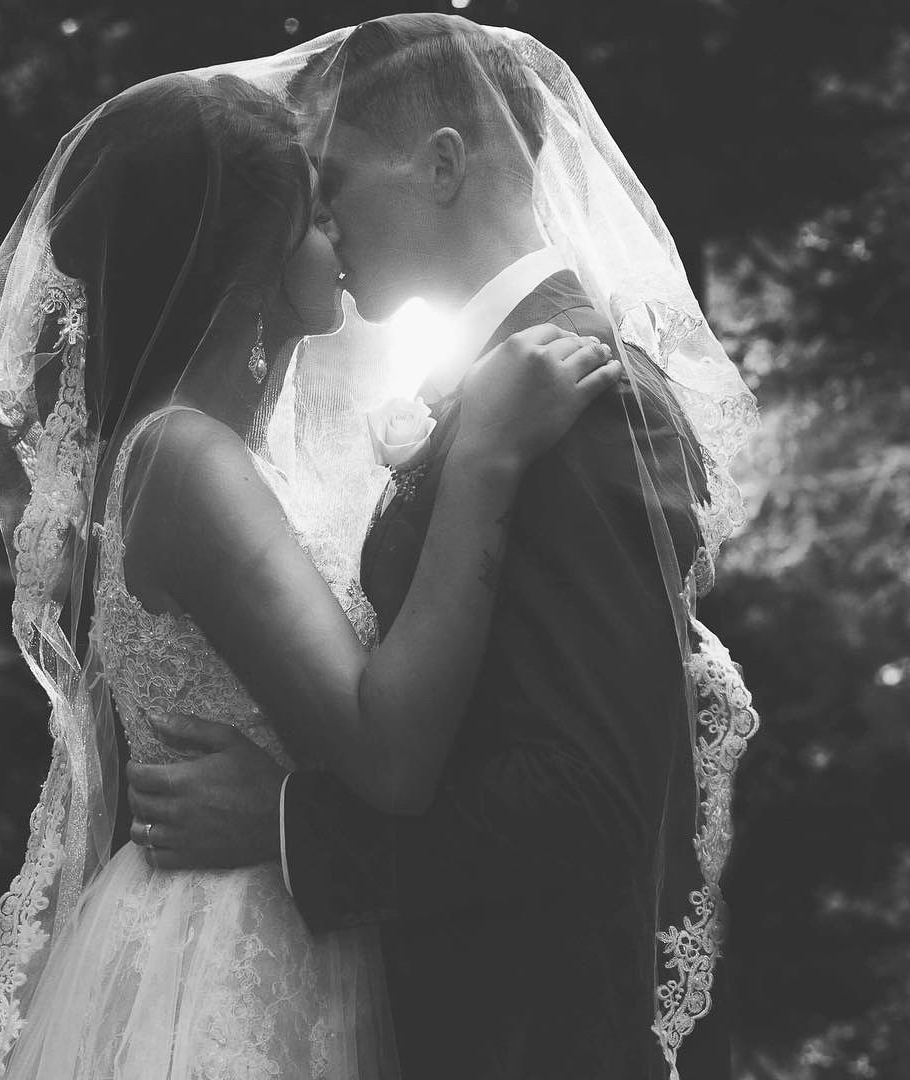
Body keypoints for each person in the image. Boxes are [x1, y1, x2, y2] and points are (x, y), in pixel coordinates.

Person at [127, 15, 761, 1080]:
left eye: (333, 179)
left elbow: (591, 802)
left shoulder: (586, 396)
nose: (317, 215)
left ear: (443, 166)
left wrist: (287, 825)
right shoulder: (505, 398)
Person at [0, 66, 621, 1079]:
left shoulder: (195, 455)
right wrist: (485, 463)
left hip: (274, 927)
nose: (340, 237)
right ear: (250, 255)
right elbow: (388, 757)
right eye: (317, 217)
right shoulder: (185, 461)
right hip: (221, 964)